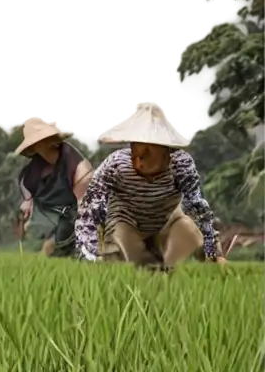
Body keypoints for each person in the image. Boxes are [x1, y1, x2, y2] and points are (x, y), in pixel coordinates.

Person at [74, 100, 226, 269]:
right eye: (135, 153)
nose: (138, 162)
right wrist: (90, 251)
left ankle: (168, 270)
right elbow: (90, 207)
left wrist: (214, 252)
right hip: (125, 222)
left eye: (147, 154)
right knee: (131, 250)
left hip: (166, 220)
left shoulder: (180, 165)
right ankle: (143, 265)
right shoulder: (115, 164)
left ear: (165, 152)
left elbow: (197, 207)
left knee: (188, 229)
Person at [15, 117, 94, 257]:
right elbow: (26, 183)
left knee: (55, 250)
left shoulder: (79, 168)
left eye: (52, 139)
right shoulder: (37, 166)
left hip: (71, 218)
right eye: (44, 140)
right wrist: (28, 200)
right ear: (34, 146)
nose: (52, 143)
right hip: (45, 216)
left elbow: (84, 208)